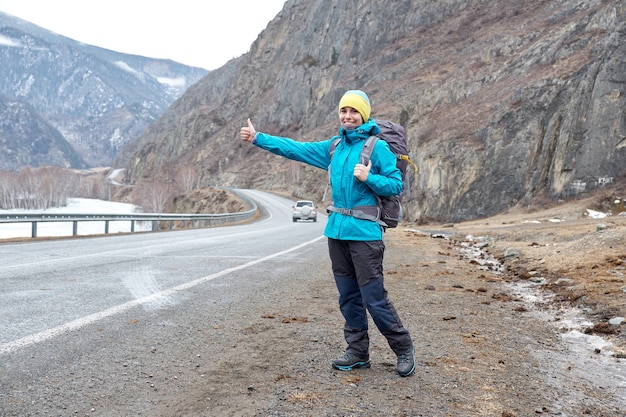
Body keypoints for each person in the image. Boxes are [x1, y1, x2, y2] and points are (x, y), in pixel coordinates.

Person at [239, 90, 415, 377]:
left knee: (373, 297)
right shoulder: (334, 147)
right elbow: (295, 148)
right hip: (337, 232)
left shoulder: (377, 148)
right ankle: (357, 352)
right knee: (348, 296)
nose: (348, 116)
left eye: (354, 111)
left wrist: (368, 177)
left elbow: (396, 186)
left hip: (365, 234)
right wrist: (259, 138)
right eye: (344, 111)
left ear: (364, 115)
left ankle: (403, 348)